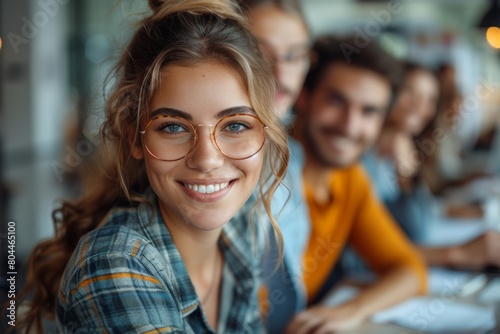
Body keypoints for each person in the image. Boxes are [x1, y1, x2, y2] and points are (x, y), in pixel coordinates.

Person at [16, 0, 290, 332]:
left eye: (235, 125)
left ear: (267, 130)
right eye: (173, 127)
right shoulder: (113, 265)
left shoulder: (240, 224)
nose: (206, 159)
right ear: (134, 139)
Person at [285, 36, 427, 333]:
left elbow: (410, 270)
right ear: (304, 96)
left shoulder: (351, 180)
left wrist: (349, 311)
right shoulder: (260, 173)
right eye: (336, 100)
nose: (350, 126)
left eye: (369, 111)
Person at [367, 63, 500, 269]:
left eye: (430, 100)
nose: (419, 106)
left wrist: (407, 177)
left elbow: (419, 226)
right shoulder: (361, 160)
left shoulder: (403, 149)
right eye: (410, 92)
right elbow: (358, 253)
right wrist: (455, 254)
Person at [237, 0, 312, 332]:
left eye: (294, 56)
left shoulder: (290, 158)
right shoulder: (209, 170)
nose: (281, 75)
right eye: (261, 55)